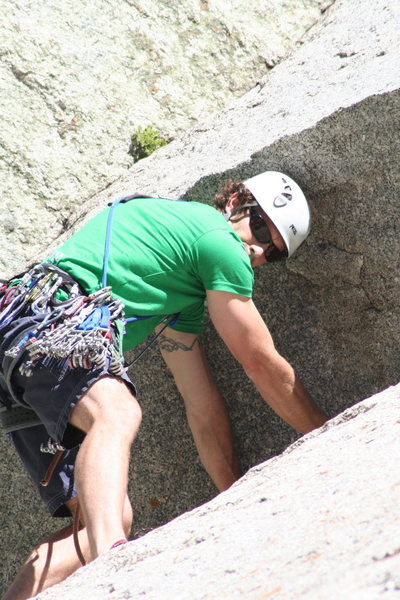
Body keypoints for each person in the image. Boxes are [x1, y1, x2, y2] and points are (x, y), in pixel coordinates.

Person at [1, 171, 328, 599]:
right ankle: (115, 570)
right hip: (50, 326)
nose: (257, 249)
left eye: (273, 253)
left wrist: (235, 495)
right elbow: (261, 364)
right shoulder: (216, 238)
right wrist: (327, 436)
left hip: (21, 345)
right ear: (234, 200)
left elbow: (201, 405)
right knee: (116, 412)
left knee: (107, 515)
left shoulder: (182, 293)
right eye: (261, 226)